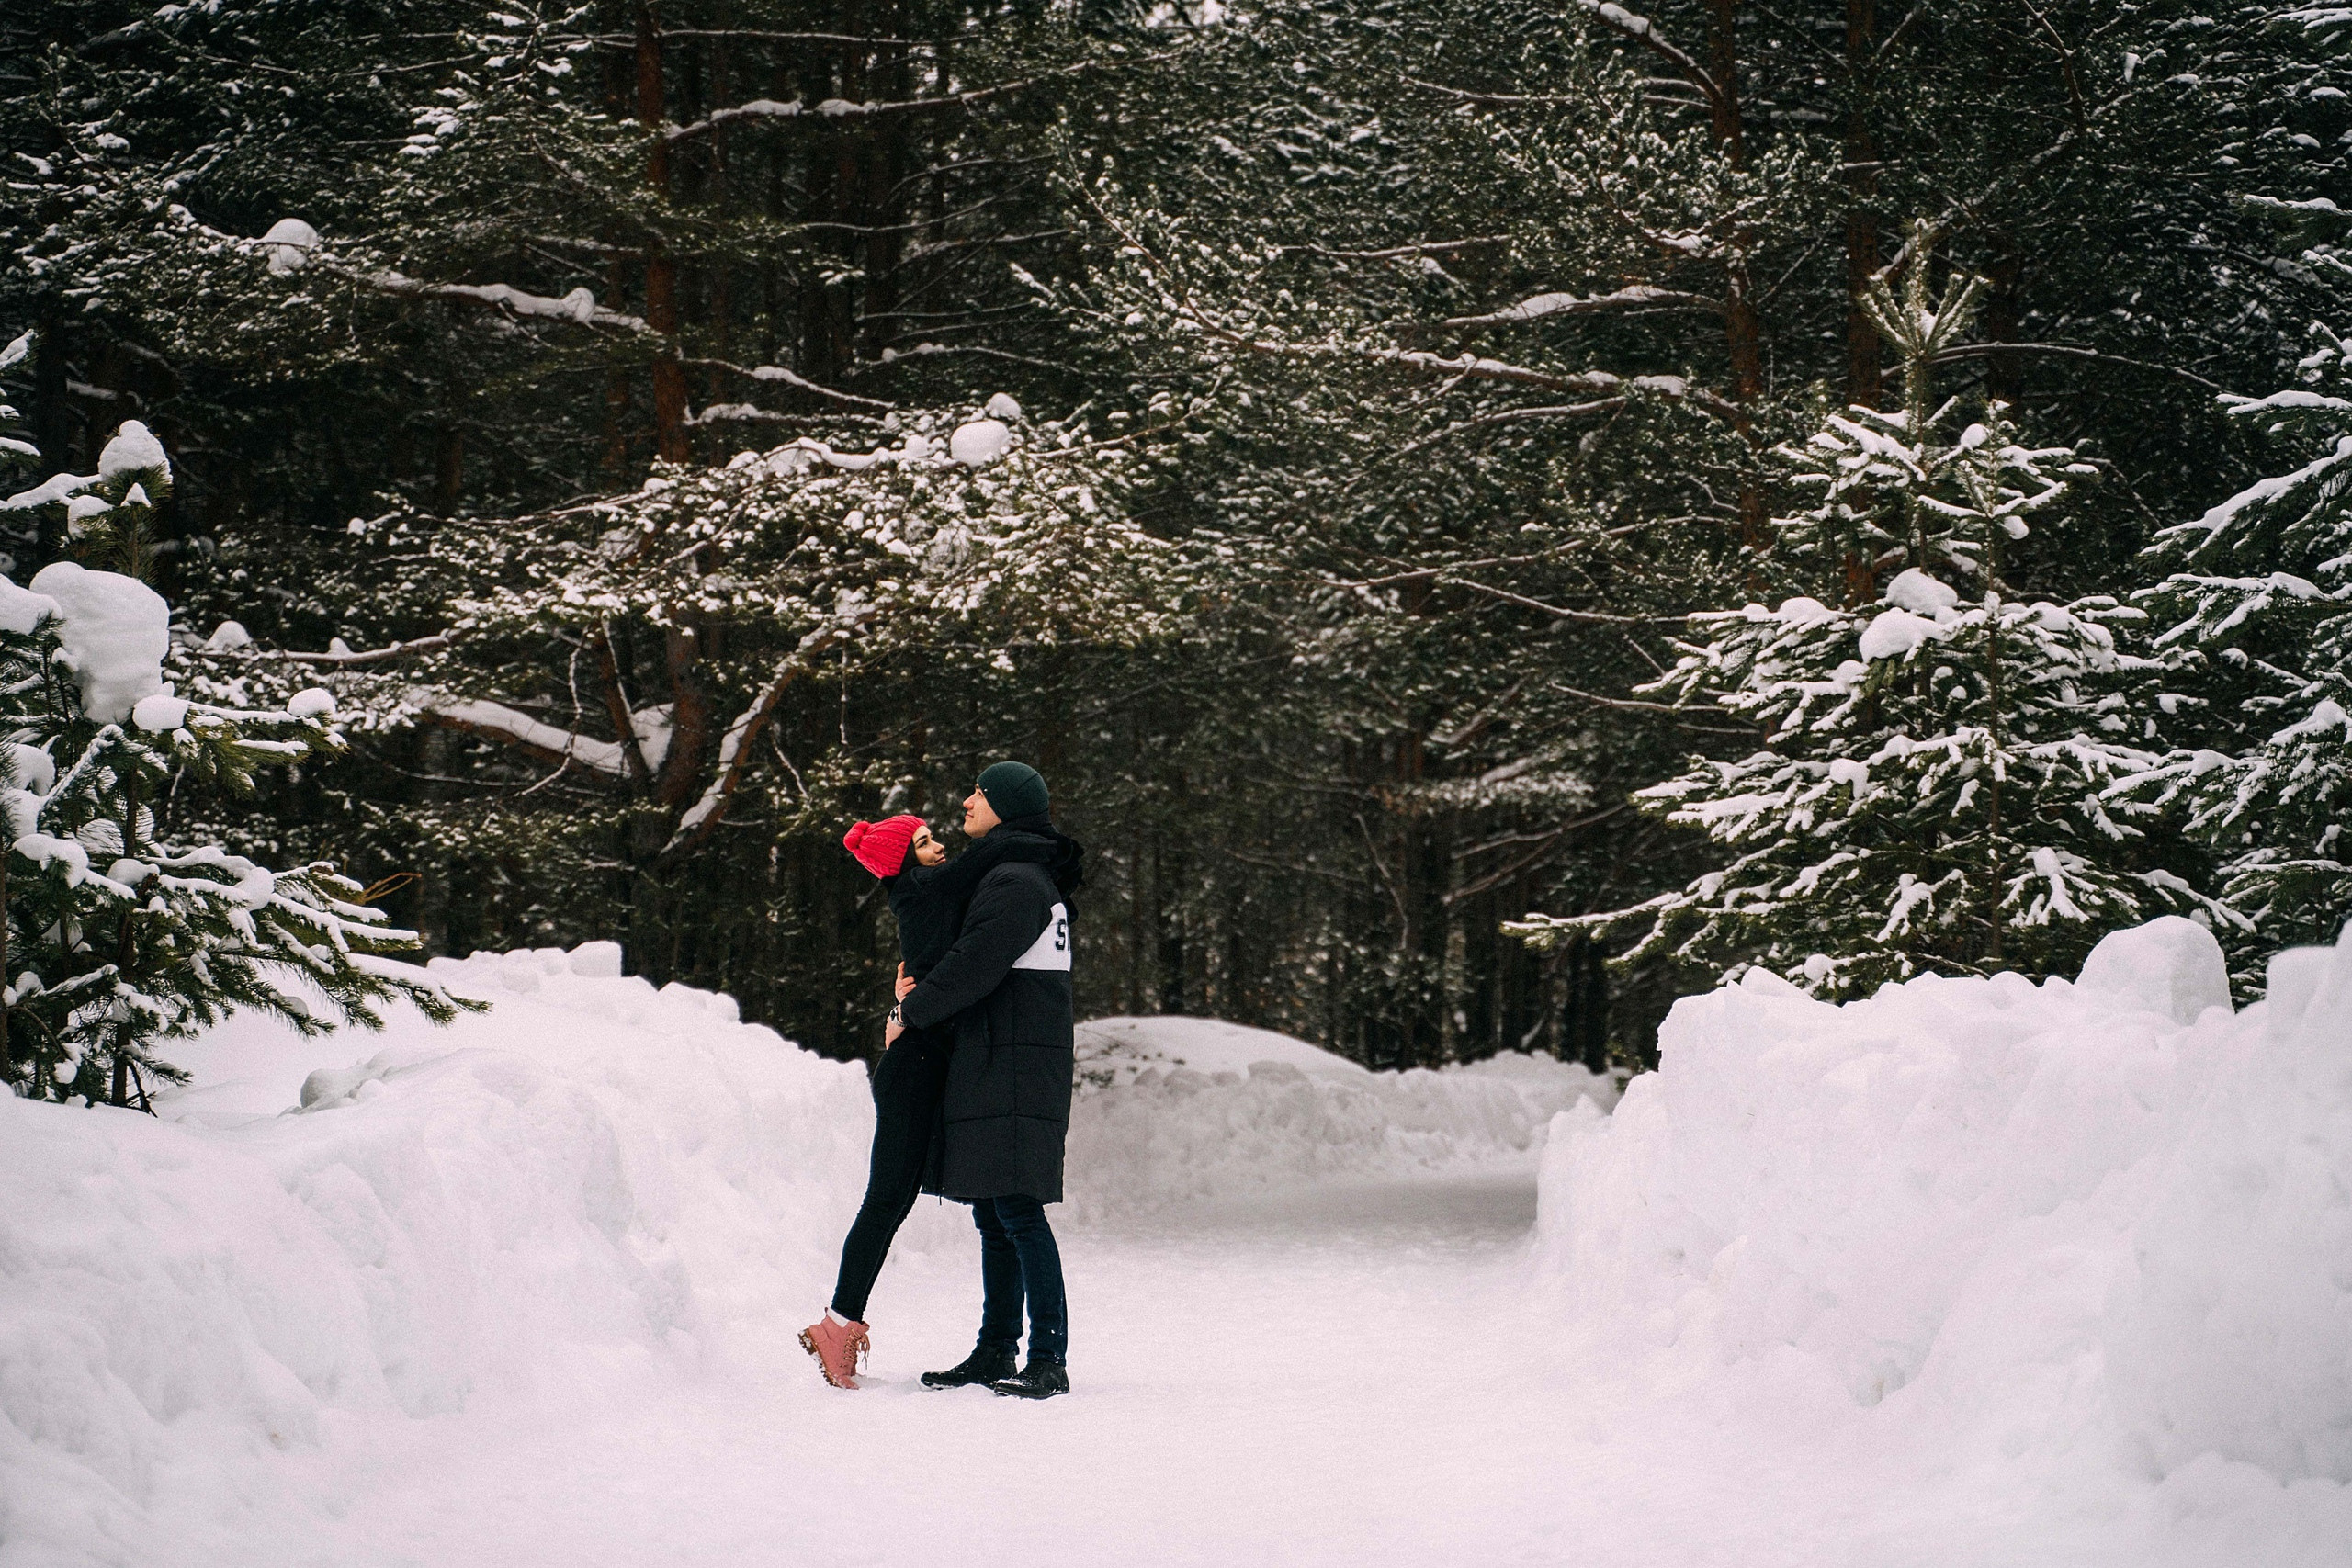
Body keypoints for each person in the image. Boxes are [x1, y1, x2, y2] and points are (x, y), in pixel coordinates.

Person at [798, 810, 1055, 1390]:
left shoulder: (920, 892)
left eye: (933, 838)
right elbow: (980, 861)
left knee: (892, 1200)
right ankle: (835, 1326)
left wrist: (902, 1005)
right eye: (923, 842)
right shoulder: (920, 886)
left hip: (921, 1062)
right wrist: (1030, 839)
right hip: (912, 1067)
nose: (938, 847)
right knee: (886, 1198)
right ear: (902, 860)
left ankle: (840, 1325)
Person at [889, 761, 1084, 1400]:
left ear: (1008, 806)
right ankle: (996, 1346)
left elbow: (973, 965)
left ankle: (1048, 1357)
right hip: (1004, 1055)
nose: (966, 801)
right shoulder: (1015, 875)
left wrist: (910, 1013)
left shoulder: (1017, 881)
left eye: (980, 792)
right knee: (995, 1210)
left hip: (1017, 1063)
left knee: (1017, 1208)